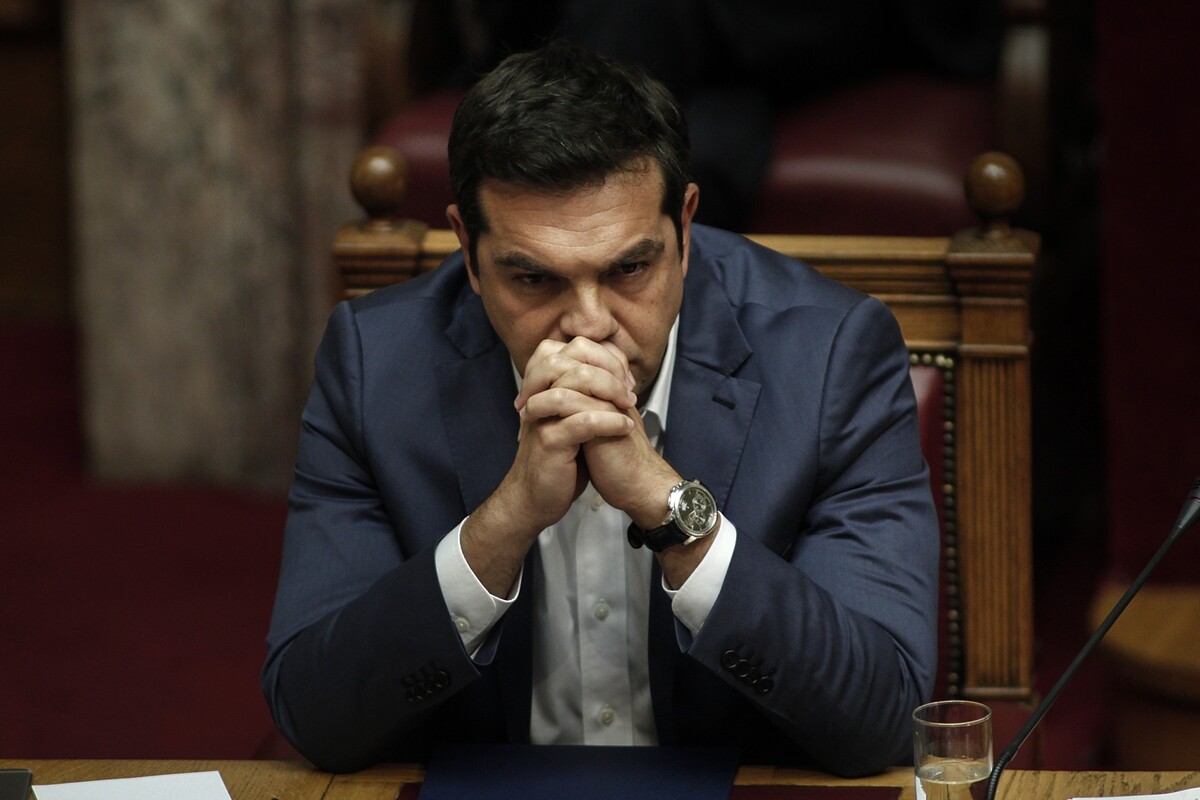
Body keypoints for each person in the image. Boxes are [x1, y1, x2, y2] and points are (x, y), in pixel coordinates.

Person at [263, 43, 938, 775]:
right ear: (468, 250)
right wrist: (507, 520)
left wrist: (669, 509)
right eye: (533, 278)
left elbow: (881, 717)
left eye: (630, 269)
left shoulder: (830, 356)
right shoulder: (373, 364)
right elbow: (316, 715)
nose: (589, 325)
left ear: (684, 228)